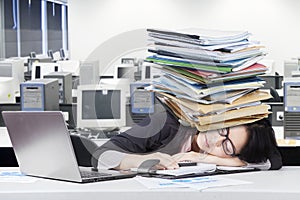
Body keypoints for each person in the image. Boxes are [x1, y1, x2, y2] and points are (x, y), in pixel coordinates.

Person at [91, 108, 282, 171]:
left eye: (227, 146)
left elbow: (273, 160)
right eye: (223, 129)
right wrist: (141, 160)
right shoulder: (167, 123)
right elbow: (99, 155)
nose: (214, 140)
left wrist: (209, 159)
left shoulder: (213, 154)